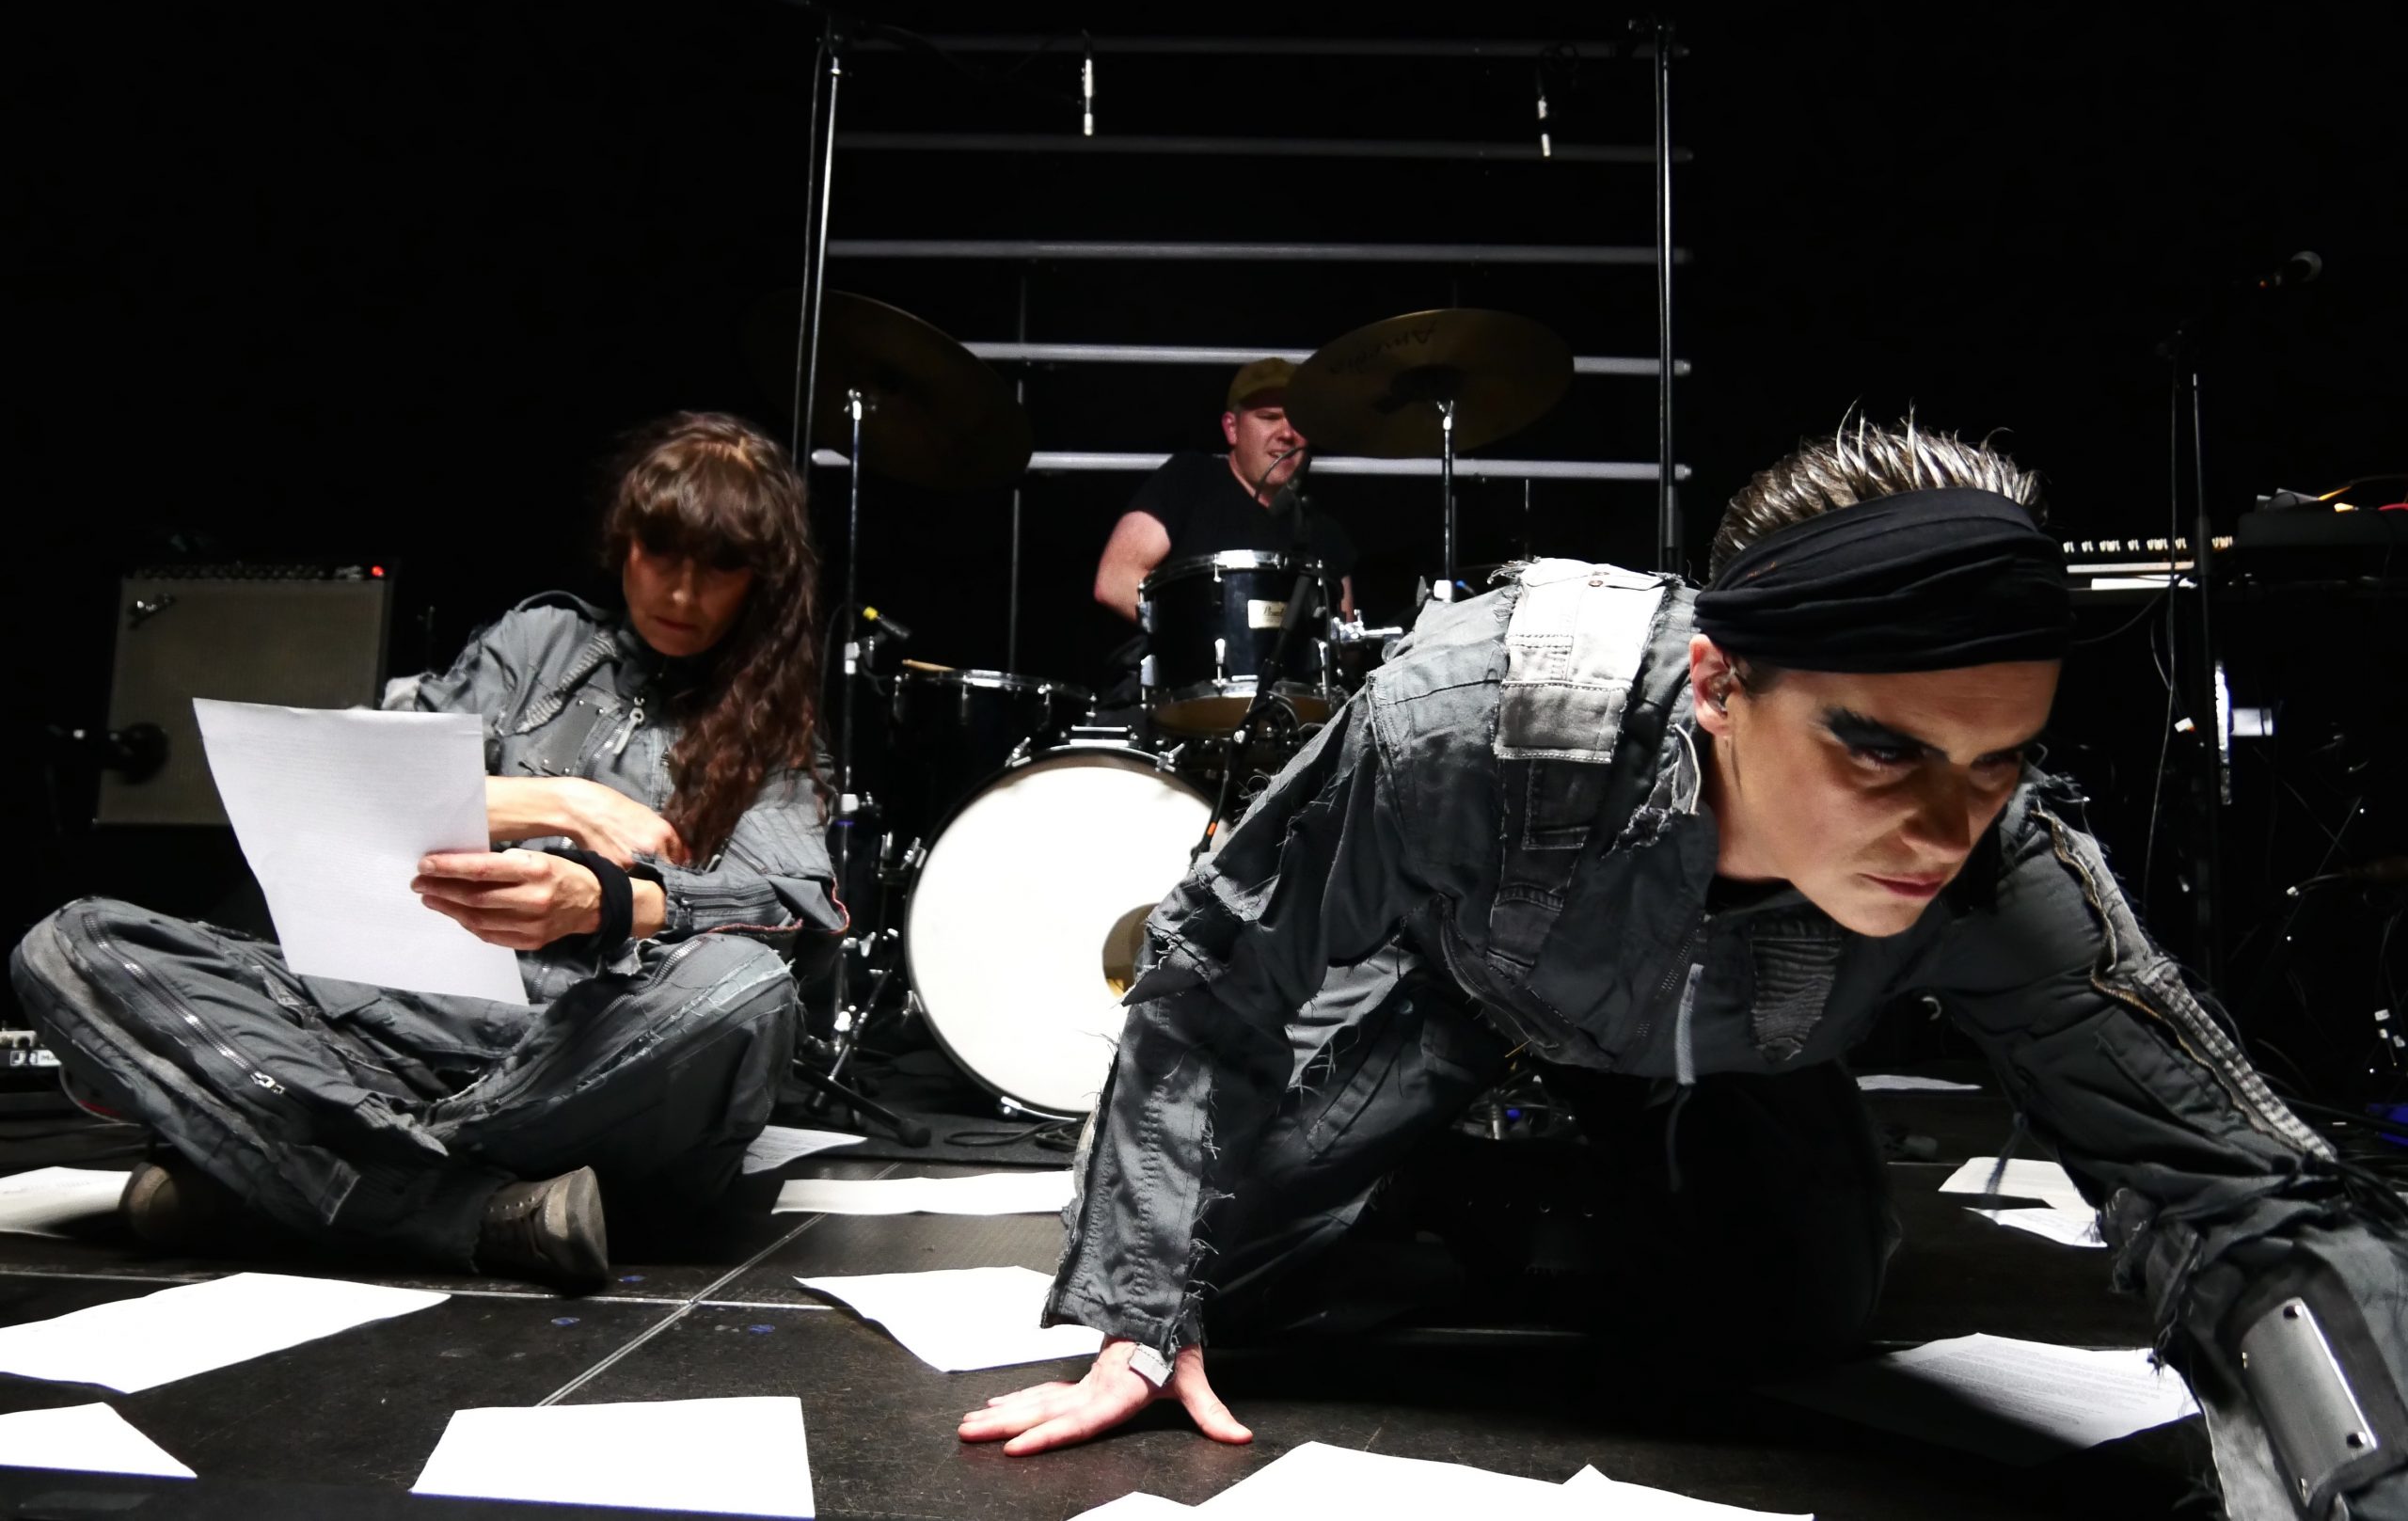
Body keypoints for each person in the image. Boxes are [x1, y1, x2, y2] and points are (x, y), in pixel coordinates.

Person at [964, 420, 2408, 1518]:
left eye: (1995, 760)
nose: (1941, 827)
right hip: (1460, 1001)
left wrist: (2365, 1461)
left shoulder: (1994, 856)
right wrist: (1139, 1311)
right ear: (1719, 681)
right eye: (1880, 750)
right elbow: (1216, 967)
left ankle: (1542, 1199)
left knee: (1803, 1323)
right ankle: (1435, 1176)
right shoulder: (1468, 716)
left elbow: (2229, 1185)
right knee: (1207, 1297)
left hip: (1741, 1051)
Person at [9, 412, 844, 1290]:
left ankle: (286, 1171)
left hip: (583, 1053)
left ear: (760, 581)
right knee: (71, 945)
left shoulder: (774, 731)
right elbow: (353, 794)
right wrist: (558, 803)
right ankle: (470, 1207)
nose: (682, 592)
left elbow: (799, 907)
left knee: (746, 991)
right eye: (661, 554)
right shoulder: (540, 643)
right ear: (623, 543)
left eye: (719, 567)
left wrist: (605, 901)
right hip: (389, 1022)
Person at [1093, 356, 1359, 625]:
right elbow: (1115, 579)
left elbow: (1343, 635)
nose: (1287, 433)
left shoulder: (1323, 531)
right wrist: (1204, 633)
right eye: (1270, 417)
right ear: (1232, 428)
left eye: (1298, 421)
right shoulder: (1190, 480)